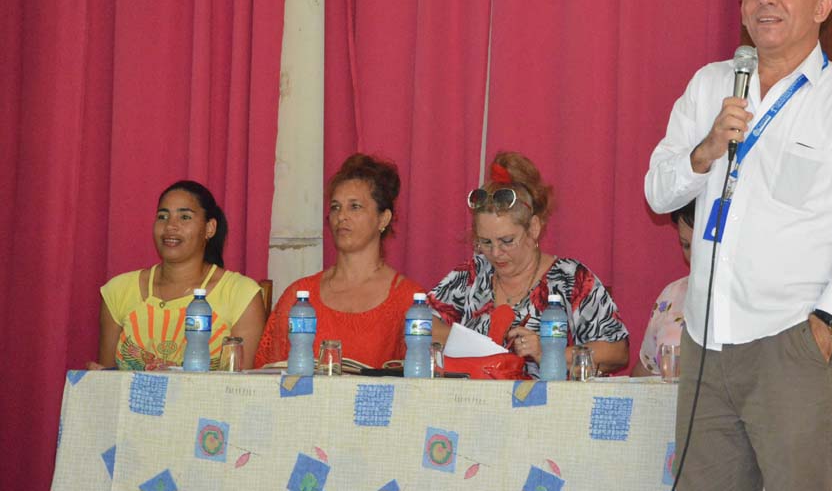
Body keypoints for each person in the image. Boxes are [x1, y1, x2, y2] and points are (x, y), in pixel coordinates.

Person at [644, 0, 832, 490]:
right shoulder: (709, 86)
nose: (766, 0)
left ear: (822, 8)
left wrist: (829, 322)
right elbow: (659, 192)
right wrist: (706, 149)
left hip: (791, 337)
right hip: (707, 337)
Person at [429, 151, 629, 378]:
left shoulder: (570, 278)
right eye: (485, 242)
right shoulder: (472, 274)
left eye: (507, 241)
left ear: (533, 228)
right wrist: (475, 346)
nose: (495, 253)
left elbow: (617, 351)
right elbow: (422, 325)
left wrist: (552, 353)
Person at [254, 154, 425, 369]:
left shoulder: (409, 300)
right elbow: (268, 376)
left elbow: (418, 385)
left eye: (355, 207)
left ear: (383, 219)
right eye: (335, 207)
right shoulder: (298, 296)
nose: (341, 216)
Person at [92, 180, 266, 371]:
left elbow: (240, 388)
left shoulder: (241, 294)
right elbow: (106, 382)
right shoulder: (119, 290)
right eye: (162, 216)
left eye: (184, 217)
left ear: (210, 228)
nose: (170, 226)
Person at [631, 201, 693, 377]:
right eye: (686, 245)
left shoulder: (748, 297)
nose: (694, 255)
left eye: (701, 245)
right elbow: (646, 369)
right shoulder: (672, 294)